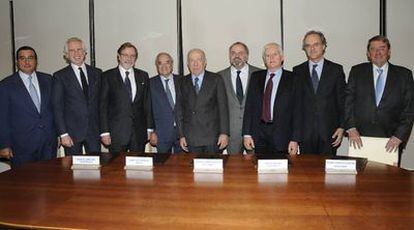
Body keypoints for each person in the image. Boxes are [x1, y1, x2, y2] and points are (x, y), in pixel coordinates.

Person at [345, 35, 414, 164]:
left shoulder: (404, 75)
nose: (378, 52)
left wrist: (399, 136)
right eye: (373, 49)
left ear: (389, 52)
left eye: (382, 48)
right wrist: (351, 128)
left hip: (391, 141)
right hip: (359, 139)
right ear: (368, 53)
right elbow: (347, 102)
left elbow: (409, 109)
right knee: (360, 181)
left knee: (388, 181)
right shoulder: (357, 72)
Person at [0, 46, 57, 166]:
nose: (27, 62)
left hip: (48, 143)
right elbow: (2, 118)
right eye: (22, 58)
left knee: (50, 180)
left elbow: (56, 109)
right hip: (21, 146)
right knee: (23, 183)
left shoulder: (48, 80)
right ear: (17, 62)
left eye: (30, 58)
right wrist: (4, 145)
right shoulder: (5, 85)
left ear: (36, 61)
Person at [242, 42, 302, 157]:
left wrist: (295, 139)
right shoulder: (256, 77)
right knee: (260, 170)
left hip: (283, 135)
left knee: (282, 171)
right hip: (259, 134)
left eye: (275, 54)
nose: (271, 58)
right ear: (264, 60)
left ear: (282, 57)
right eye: (267, 56)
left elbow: (298, 111)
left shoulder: (293, 79)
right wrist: (247, 134)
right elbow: (249, 106)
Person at [293, 31, 346, 155]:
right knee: (306, 173)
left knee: (327, 172)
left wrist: (342, 127)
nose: (312, 48)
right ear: (304, 49)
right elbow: (295, 106)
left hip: (329, 133)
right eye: (308, 45)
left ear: (323, 46)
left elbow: (343, 101)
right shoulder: (297, 71)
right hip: (305, 134)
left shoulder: (336, 70)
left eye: (316, 44)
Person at [100, 42, 155, 153]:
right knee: (116, 168)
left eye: (132, 56)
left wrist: (149, 128)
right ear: (119, 57)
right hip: (116, 133)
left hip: (138, 133)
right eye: (125, 55)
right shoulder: (107, 76)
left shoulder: (143, 76)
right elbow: (102, 106)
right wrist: (104, 132)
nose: (129, 58)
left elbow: (147, 104)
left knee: (138, 166)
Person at [52, 37, 102, 155]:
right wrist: (63, 134)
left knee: (97, 168)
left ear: (85, 52)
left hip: (94, 132)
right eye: (72, 51)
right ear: (66, 55)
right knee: (73, 170)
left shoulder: (97, 73)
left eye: (79, 49)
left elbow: (102, 103)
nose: (77, 53)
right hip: (71, 133)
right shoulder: (60, 76)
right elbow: (57, 107)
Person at [176, 48, 229, 154]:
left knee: (212, 168)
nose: (195, 63)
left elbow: (223, 108)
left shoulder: (216, 79)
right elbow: (179, 110)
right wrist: (181, 135)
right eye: (191, 60)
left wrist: (224, 133)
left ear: (205, 62)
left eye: (199, 60)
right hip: (191, 137)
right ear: (187, 63)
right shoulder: (181, 82)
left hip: (212, 137)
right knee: (192, 169)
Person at [217, 42, 261, 154]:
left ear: (247, 55)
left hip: (254, 130)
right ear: (229, 56)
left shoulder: (260, 74)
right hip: (231, 133)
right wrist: (223, 132)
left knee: (255, 165)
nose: (236, 56)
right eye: (233, 53)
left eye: (240, 53)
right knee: (233, 168)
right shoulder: (219, 77)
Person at [149, 52, 182, 153]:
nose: (164, 66)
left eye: (167, 62)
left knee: (183, 164)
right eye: (160, 63)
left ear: (172, 64)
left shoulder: (182, 80)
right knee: (162, 166)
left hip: (182, 133)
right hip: (161, 133)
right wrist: (152, 131)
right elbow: (147, 110)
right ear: (156, 66)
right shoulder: (150, 84)